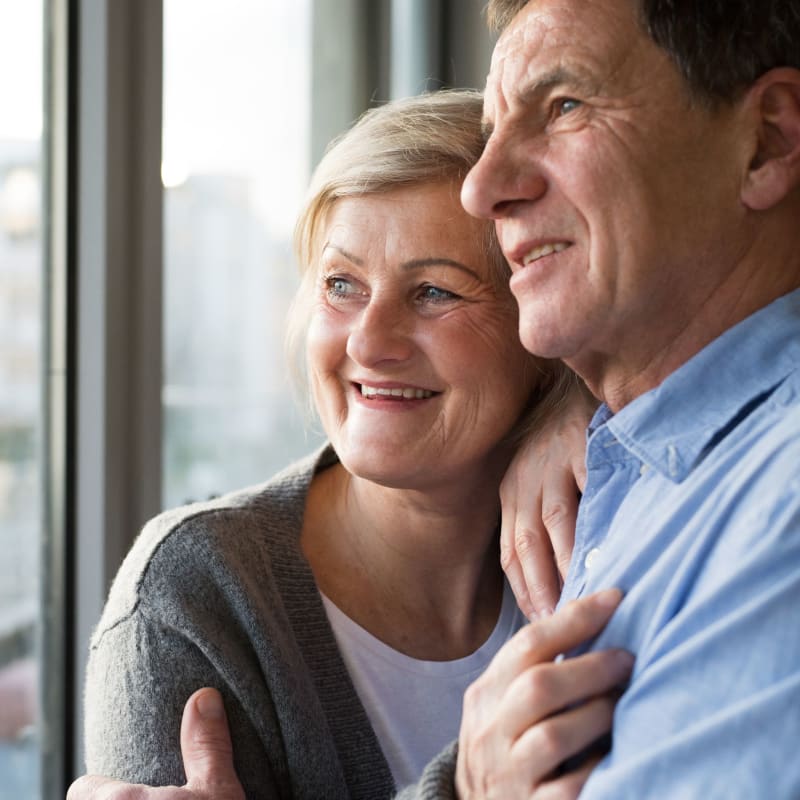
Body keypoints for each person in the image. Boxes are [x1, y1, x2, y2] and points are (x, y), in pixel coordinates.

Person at [69, 89, 631, 800]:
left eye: (434, 292)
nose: (369, 342)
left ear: (543, 320)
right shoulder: (191, 600)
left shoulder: (611, 526)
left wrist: (588, 395)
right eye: (342, 285)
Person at [451, 0, 800, 797]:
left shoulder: (781, 510)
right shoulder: (629, 461)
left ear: (767, 142)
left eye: (564, 105)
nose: (482, 188)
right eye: (490, 133)